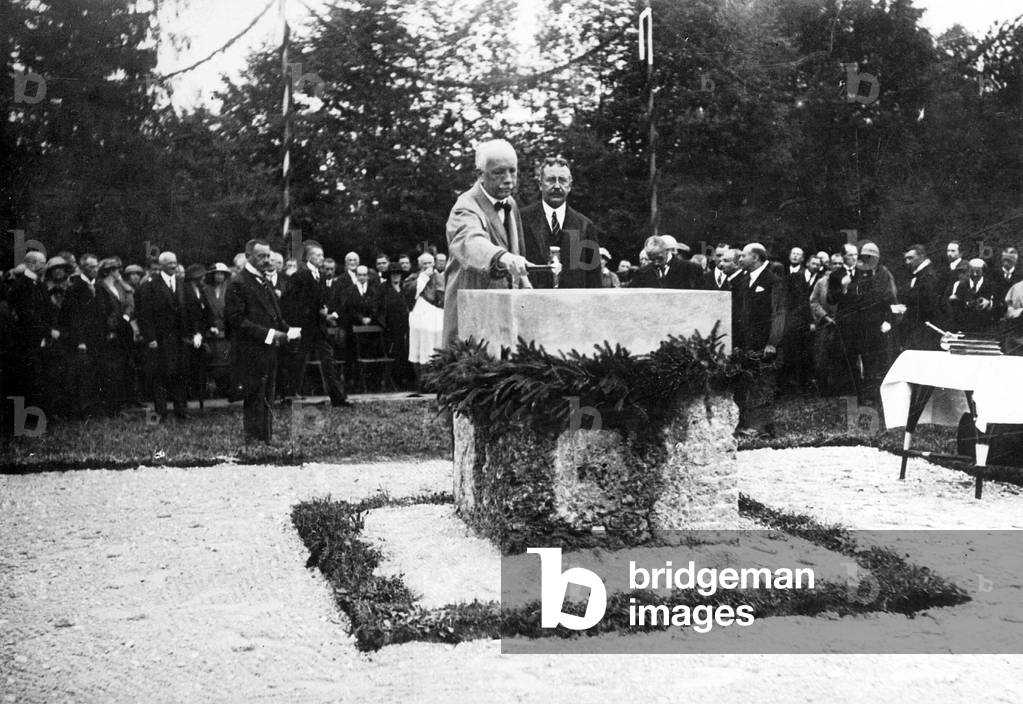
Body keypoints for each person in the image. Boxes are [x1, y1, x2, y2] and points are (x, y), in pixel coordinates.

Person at [442, 138, 531, 346]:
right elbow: (470, 242)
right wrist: (503, 258)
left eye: (513, 171)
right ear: (480, 175)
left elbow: (517, 251)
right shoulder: (464, 207)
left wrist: (525, 282)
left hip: (504, 315)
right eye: (499, 172)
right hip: (471, 316)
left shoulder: (510, 203)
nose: (508, 179)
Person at [225, 239, 297, 442]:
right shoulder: (238, 283)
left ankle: (265, 438)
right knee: (255, 394)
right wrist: (270, 334)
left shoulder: (263, 280)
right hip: (251, 349)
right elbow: (236, 320)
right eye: (261, 256)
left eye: (268, 255)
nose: (266, 260)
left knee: (267, 394)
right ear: (248, 257)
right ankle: (254, 438)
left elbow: (275, 314)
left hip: (268, 349)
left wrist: (288, 330)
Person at [281, 241, 350, 407]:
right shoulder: (300, 276)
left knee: (328, 359)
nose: (322, 258)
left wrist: (322, 309)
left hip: (318, 327)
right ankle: (289, 396)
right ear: (309, 257)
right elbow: (291, 302)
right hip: (304, 327)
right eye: (318, 255)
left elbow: (318, 299)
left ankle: (337, 397)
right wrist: (313, 312)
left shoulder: (320, 276)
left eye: (322, 255)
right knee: (298, 361)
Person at [827, 241, 897, 402]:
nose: (854, 258)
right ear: (843, 257)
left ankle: (869, 394)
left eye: (856, 255)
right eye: (850, 255)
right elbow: (830, 299)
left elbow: (879, 297)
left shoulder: (865, 272)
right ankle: (853, 394)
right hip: (846, 325)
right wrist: (843, 288)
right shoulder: (836, 275)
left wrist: (885, 319)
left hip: (866, 324)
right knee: (849, 358)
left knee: (869, 358)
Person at [520, 156, 603, 289]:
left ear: (569, 186)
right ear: (540, 184)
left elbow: (594, 280)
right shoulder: (521, 220)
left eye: (562, 181)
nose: (557, 186)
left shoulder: (585, 226)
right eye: (551, 180)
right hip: (532, 304)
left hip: (572, 306)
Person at [733, 243, 786, 437]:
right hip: (747, 344)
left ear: (755, 258)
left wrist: (773, 342)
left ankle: (760, 427)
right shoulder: (743, 280)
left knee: (764, 384)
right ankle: (749, 424)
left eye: (744, 256)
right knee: (749, 382)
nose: (740, 259)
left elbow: (779, 313)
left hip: (766, 345)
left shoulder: (773, 281)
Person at [60, 253, 115, 418]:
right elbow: (72, 317)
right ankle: (83, 410)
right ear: (82, 267)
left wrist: (110, 330)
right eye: (90, 267)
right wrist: (80, 341)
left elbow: (109, 310)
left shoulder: (99, 288)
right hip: (82, 340)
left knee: (99, 372)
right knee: (83, 375)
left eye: (95, 266)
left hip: (100, 338)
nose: (94, 269)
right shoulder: (74, 288)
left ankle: (97, 408)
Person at [136, 251, 188, 420]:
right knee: (160, 375)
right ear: (161, 266)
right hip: (160, 338)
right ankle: (161, 412)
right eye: (169, 263)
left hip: (179, 338)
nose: (173, 266)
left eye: (175, 262)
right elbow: (145, 314)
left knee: (179, 373)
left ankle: (181, 410)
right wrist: (150, 338)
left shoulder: (181, 283)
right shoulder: (150, 285)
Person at [406, 252, 445, 392]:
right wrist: (422, 278)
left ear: (434, 263)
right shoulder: (414, 277)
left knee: (436, 346)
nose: (427, 266)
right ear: (419, 265)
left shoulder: (440, 278)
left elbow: (443, 296)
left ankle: (437, 382)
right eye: (424, 263)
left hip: (436, 317)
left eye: (429, 263)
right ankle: (422, 383)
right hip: (420, 317)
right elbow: (409, 292)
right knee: (420, 347)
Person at [898, 245, 945, 351]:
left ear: (922, 256)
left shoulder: (929, 275)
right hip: (919, 328)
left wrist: (906, 310)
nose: (907, 262)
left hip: (926, 329)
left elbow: (928, 304)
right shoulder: (919, 274)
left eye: (910, 258)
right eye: (906, 259)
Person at [629, 235, 704, 289]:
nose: (655, 263)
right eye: (652, 259)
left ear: (667, 250)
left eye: (659, 258)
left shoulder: (691, 269)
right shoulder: (643, 272)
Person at [949, 258, 1001, 334]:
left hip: (985, 328)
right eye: (972, 271)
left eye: (978, 271)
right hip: (965, 328)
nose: (975, 274)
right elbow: (956, 309)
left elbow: (1000, 305)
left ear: (983, 272)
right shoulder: (961, 285)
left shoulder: (992, 286)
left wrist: (989, 303)